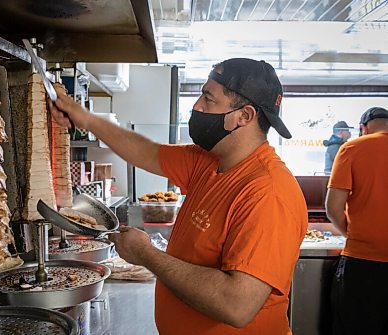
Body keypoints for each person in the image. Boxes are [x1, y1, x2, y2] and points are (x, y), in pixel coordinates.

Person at [50, 58, 307, 334]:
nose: (196, 106)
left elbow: (237, 305)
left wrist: (146, 254)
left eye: (208, 98)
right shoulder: (209, 160)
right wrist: (85, 118)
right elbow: (147, 152)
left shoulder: (269, 192)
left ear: (244, 116)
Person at [325, 106, 388, 335]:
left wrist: (353, 234)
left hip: (363, 263)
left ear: (363, 128)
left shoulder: (352, 148)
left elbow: (333, 208)